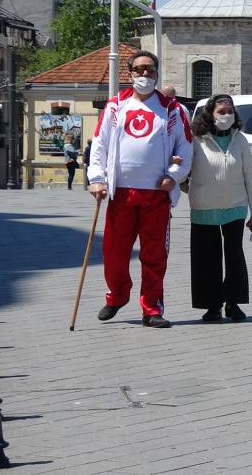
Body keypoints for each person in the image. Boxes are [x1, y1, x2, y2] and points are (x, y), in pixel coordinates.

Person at [87, 50, 193, 328]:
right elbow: (99, 145)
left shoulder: (172, 109)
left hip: (156, 194)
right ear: (130, 72)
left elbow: (185, 147)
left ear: (157, 73)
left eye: (151, 70)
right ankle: (117, 295)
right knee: (113, 254)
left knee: (154, 255)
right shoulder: (115, 106)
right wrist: (96, 178)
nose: (145, 74)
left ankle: (151, 308)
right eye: (140, 69)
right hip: (121, 193)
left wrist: (174, 174)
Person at [186, 94, 252, 323]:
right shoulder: (196, 140)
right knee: (206, 259)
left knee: (234, 257)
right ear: (210, 114)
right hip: (204, 208)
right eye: (221, 112)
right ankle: (212, 305)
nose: (226, 116)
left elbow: (251, 177)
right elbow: (182, 170)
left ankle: (233, 302)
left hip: (235, 208)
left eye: (230, 111)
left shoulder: (241, 140)